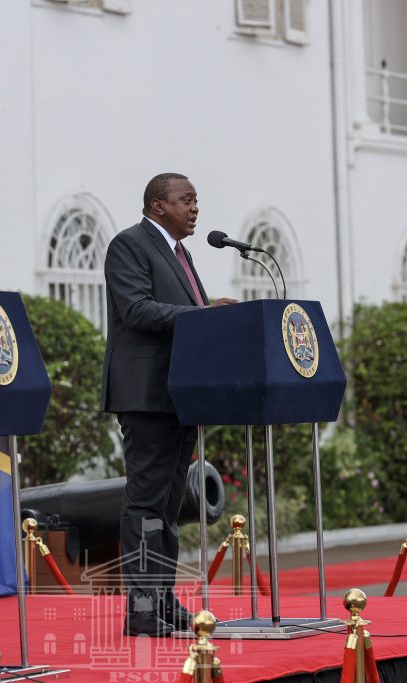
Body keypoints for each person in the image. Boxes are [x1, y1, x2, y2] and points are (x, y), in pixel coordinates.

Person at [101, 172, 236, 636]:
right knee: (145, 503)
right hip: (145, 394)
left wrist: (211, 319)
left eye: (196, 200)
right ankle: (140, 610)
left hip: (179, 394)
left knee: (170, 504)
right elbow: (136, 309)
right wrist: (203, 316)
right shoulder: (129, 244)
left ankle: (161, 598)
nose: (195, 208)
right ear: (158, 206)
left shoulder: (181, 253)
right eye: (186, 200)